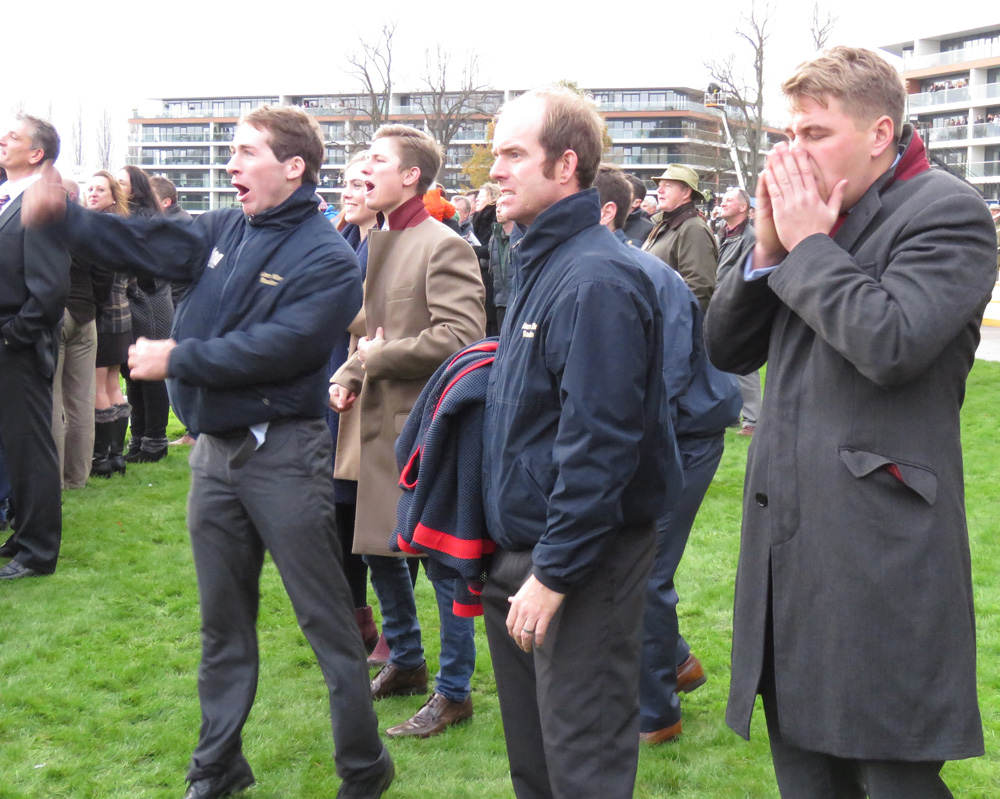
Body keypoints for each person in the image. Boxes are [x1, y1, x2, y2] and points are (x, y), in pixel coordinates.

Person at [24, 104, 393, 799]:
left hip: (285, 455)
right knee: (224, 625)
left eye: (247, 152)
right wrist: (64, 215)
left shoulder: (328, 257)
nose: (231, 165)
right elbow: (147, 242)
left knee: (326, 624)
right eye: (230, 152)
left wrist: (181, 356)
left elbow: (285, 348)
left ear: (293, 167)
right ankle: (217, 767)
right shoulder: (225, 228)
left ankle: (365, 768)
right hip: (215, 461)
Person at [704, 46, 993, 799]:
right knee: (806, 775)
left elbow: (891, 342)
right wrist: (764, 252)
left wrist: (804, 245)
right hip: (787, 552)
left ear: (879, 134)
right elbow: (726, 347)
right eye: (787, 135)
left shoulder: (946, 211)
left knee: (890, 778)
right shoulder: (801, 225)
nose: (791, 154)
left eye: (814, 134)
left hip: (879, 561)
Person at [480, 88, 676, 799]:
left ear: (567, 165)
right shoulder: (536, 260)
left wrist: (555, 572)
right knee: (537, 768)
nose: (495, 170)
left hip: (579, 564)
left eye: (512, 154)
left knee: (582, 767)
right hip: (522, 558)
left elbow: (601, 445)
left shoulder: (597, 277)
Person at [330, 124, 485, 739]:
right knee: (376, 547)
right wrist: (347, 373)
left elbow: (462, 338)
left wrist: (371, 361)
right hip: (368, 423)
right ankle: (408, 661)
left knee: (440, 564)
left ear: (411, 175)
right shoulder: (378, 236)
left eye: (377, 160)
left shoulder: (442, 243)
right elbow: (368, 329)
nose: (365, 170)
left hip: (420, 426)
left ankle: (454, 692)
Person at [594, 163, 741, 746]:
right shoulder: (608, 261)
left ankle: (657, 713)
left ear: (603, 210)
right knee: (631, 563)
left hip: (687, 431)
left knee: (647, 570)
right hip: (665, 428)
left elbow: (672, 368)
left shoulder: (643, 269)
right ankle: (677, 661)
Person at [0, 113, 69, 580]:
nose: (2, 139)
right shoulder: (9, 200)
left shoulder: (41, 204)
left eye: (13, 136)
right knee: (12, 446)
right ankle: (23, 535)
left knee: (30, 448)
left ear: (36, 152)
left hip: (18, 346)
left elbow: (48, 291)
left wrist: (11, 336)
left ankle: (39, 551)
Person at [117, 165, 174, 464]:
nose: (116, 185)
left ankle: (155, 441)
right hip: (136, 299)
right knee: (133, 373)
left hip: (150, 300)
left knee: (150, 374)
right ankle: (138, 437)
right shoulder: (126, 218)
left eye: (121, 182)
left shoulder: (146, 220)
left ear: (135, 188)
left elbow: (152, 268)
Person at [86, 170, 133, 478]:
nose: (92, 193)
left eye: (100, 190)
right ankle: (116, 455)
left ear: (113, 196)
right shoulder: (123, 228)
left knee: (99, 386)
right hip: (123, 313)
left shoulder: (100, 227)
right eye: (89, 188)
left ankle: (101, 457)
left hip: (105, 314)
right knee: (113, 384)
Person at [642, 163, 718, 312]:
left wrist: (670, 328)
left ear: (686, 193)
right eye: (660, 185)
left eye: (668, 185)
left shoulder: (693, 229)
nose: (659, 190)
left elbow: (699, 291)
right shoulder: (664, 224)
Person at [715, 187, 760, 436]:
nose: (722, 202)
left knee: (744, 366)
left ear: (743, 207)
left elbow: (751, 276)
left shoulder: (750, 237)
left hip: (739, 308)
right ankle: (731, 414)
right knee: (722, 363)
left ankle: (752, 421)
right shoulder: (723, 234)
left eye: (728, 200)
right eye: (722, 199)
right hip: (720, 306)